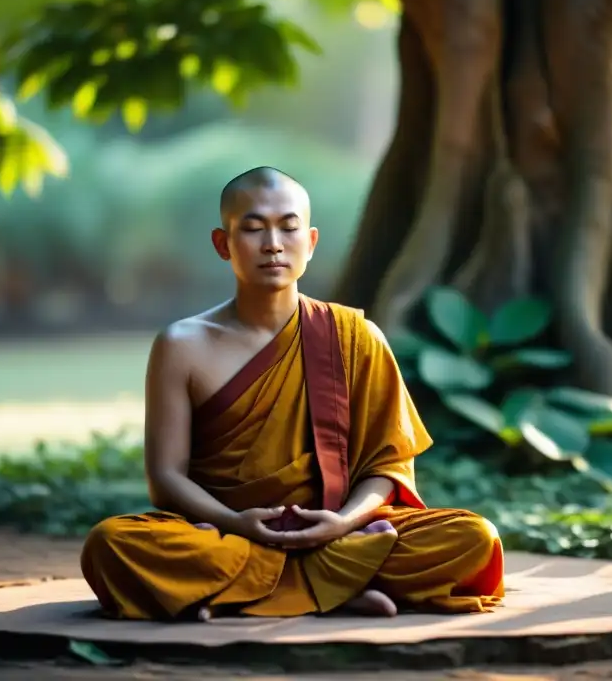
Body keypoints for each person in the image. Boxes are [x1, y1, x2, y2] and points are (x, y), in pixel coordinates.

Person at [80, 166, 505, 620]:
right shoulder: (182, 345)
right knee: (111, 545)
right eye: (253, 228)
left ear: (311, 241)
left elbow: (389, 466)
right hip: (226, 532)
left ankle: (243, 591)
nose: (273, 244)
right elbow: (166, 478)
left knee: (474, 538)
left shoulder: (355, 336)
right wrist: (235, 523)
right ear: (223, 244)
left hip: (336, 528)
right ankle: (339, 584)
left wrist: (342, 522)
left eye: (288, 226)